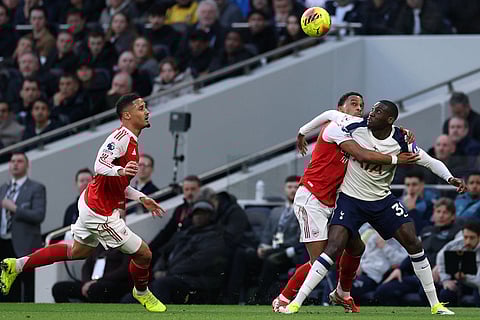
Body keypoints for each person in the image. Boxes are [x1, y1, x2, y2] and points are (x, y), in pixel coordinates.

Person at [279, 100, 467, 315]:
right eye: (372, 108)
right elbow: (339, 124)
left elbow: (429, 161)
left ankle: (435, 305)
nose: (370, 113)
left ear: (389, 120)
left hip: (382, 201)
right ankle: (296, 303)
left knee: (413, 243)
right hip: (350, 200)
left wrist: (450, 177)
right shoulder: (353, 127)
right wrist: (303, 132)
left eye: (377, 111)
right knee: (332, 249)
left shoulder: (400, 139)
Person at [0, 94, 167, 312]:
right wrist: (120, 170)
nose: (147, 112)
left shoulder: (132, 141)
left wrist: (142, 197)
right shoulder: (120, 138)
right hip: (100, 213)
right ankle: (142, 292)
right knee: (144, 254)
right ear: (127, 115)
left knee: (78, 251)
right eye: (141, 108)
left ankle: (16, 265)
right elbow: (99, 165)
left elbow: (115, 184)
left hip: (92, 202)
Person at [272, 92, 419, 313]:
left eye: (361, 105)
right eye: (353, 104)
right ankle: (282, 299)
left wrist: (402, 131)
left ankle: (342, 293)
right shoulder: (335, 128)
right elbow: (362, 154)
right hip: (311, 198)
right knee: (320, 261)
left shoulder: (357, 131)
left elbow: (378, 129)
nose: (359, 108)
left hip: (331, 202)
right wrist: (398, 159)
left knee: (356, 246)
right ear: (341, 109)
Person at [0, 152, 46, 302]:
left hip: (24, 244)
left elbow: (39, 215)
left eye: (19, 161)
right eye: (12, 161)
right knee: (5, 285)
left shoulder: (36, 188)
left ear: (27, 165)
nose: (15, 164)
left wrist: (15, 209)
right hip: (3, 242)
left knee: (27, 285)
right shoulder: (3, 189)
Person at [52, 246, 131, 303]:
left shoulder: (128, 244)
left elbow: (124, 270)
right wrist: (87, 283)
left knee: (95, 289)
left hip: (115, 284)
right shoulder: (97, 245)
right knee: (59, 288)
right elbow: (87, 266)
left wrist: (98, 281)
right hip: (91, 284)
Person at [436, 221, 480, 306]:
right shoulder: (456, 244)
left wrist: (465, 277)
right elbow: (441, 256)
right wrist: (445, 279)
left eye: (472, 238)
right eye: (465, 237)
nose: (467, 241)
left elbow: (478, 281)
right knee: (445, 293)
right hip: (459, 281)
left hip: (476, 284)